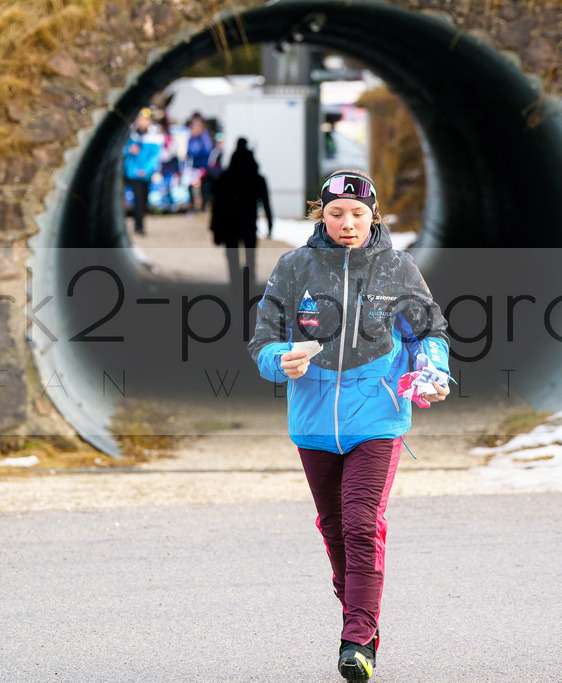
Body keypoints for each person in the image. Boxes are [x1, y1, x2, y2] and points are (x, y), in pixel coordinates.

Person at [247, 169, 451, 682]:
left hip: (378, 419)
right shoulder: (294, 268)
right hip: (313, 423)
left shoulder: (397, 269)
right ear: (322, 214)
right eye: (337, 213)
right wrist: (280, 359)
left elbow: (430, 332)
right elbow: (263, 341)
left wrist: (432, 371)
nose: (348, 223)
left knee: (361, 522)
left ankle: (357, 639)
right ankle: (360, 616)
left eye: (358, 214)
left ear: (372, 215)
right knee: (335, 528)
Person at [209, 138, 272, 291]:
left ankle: (235, 281)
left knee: (233, 254)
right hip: (248, 221)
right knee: (250, 255)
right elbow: (266, 203)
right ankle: (249, 281)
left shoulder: (226, 177)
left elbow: (216, 202)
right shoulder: (257, 179)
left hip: (230, 222)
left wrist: (215, 227)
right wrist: (270, 224)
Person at [123, 108, 163, 234]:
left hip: (145, 174)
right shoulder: (131, 133)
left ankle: (139, 223)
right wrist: (129, 149)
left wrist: (146, 170)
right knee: (138, 198)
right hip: (133, 173)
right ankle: (138, 226)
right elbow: (121, 150)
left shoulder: (154, 136)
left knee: (143, 200)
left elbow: (155, 157)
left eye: (145, 119)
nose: (142, 122)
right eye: (140, 119)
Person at [185, 112, 213, 212]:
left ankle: (204, 206)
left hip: (203, 166)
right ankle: (193, 204)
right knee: (190, 186)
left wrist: (197, 152)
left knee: (204, 188)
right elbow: (188, 151)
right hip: (194, 166)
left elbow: (207, 150)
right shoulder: (191, 137)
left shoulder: (204, 137)